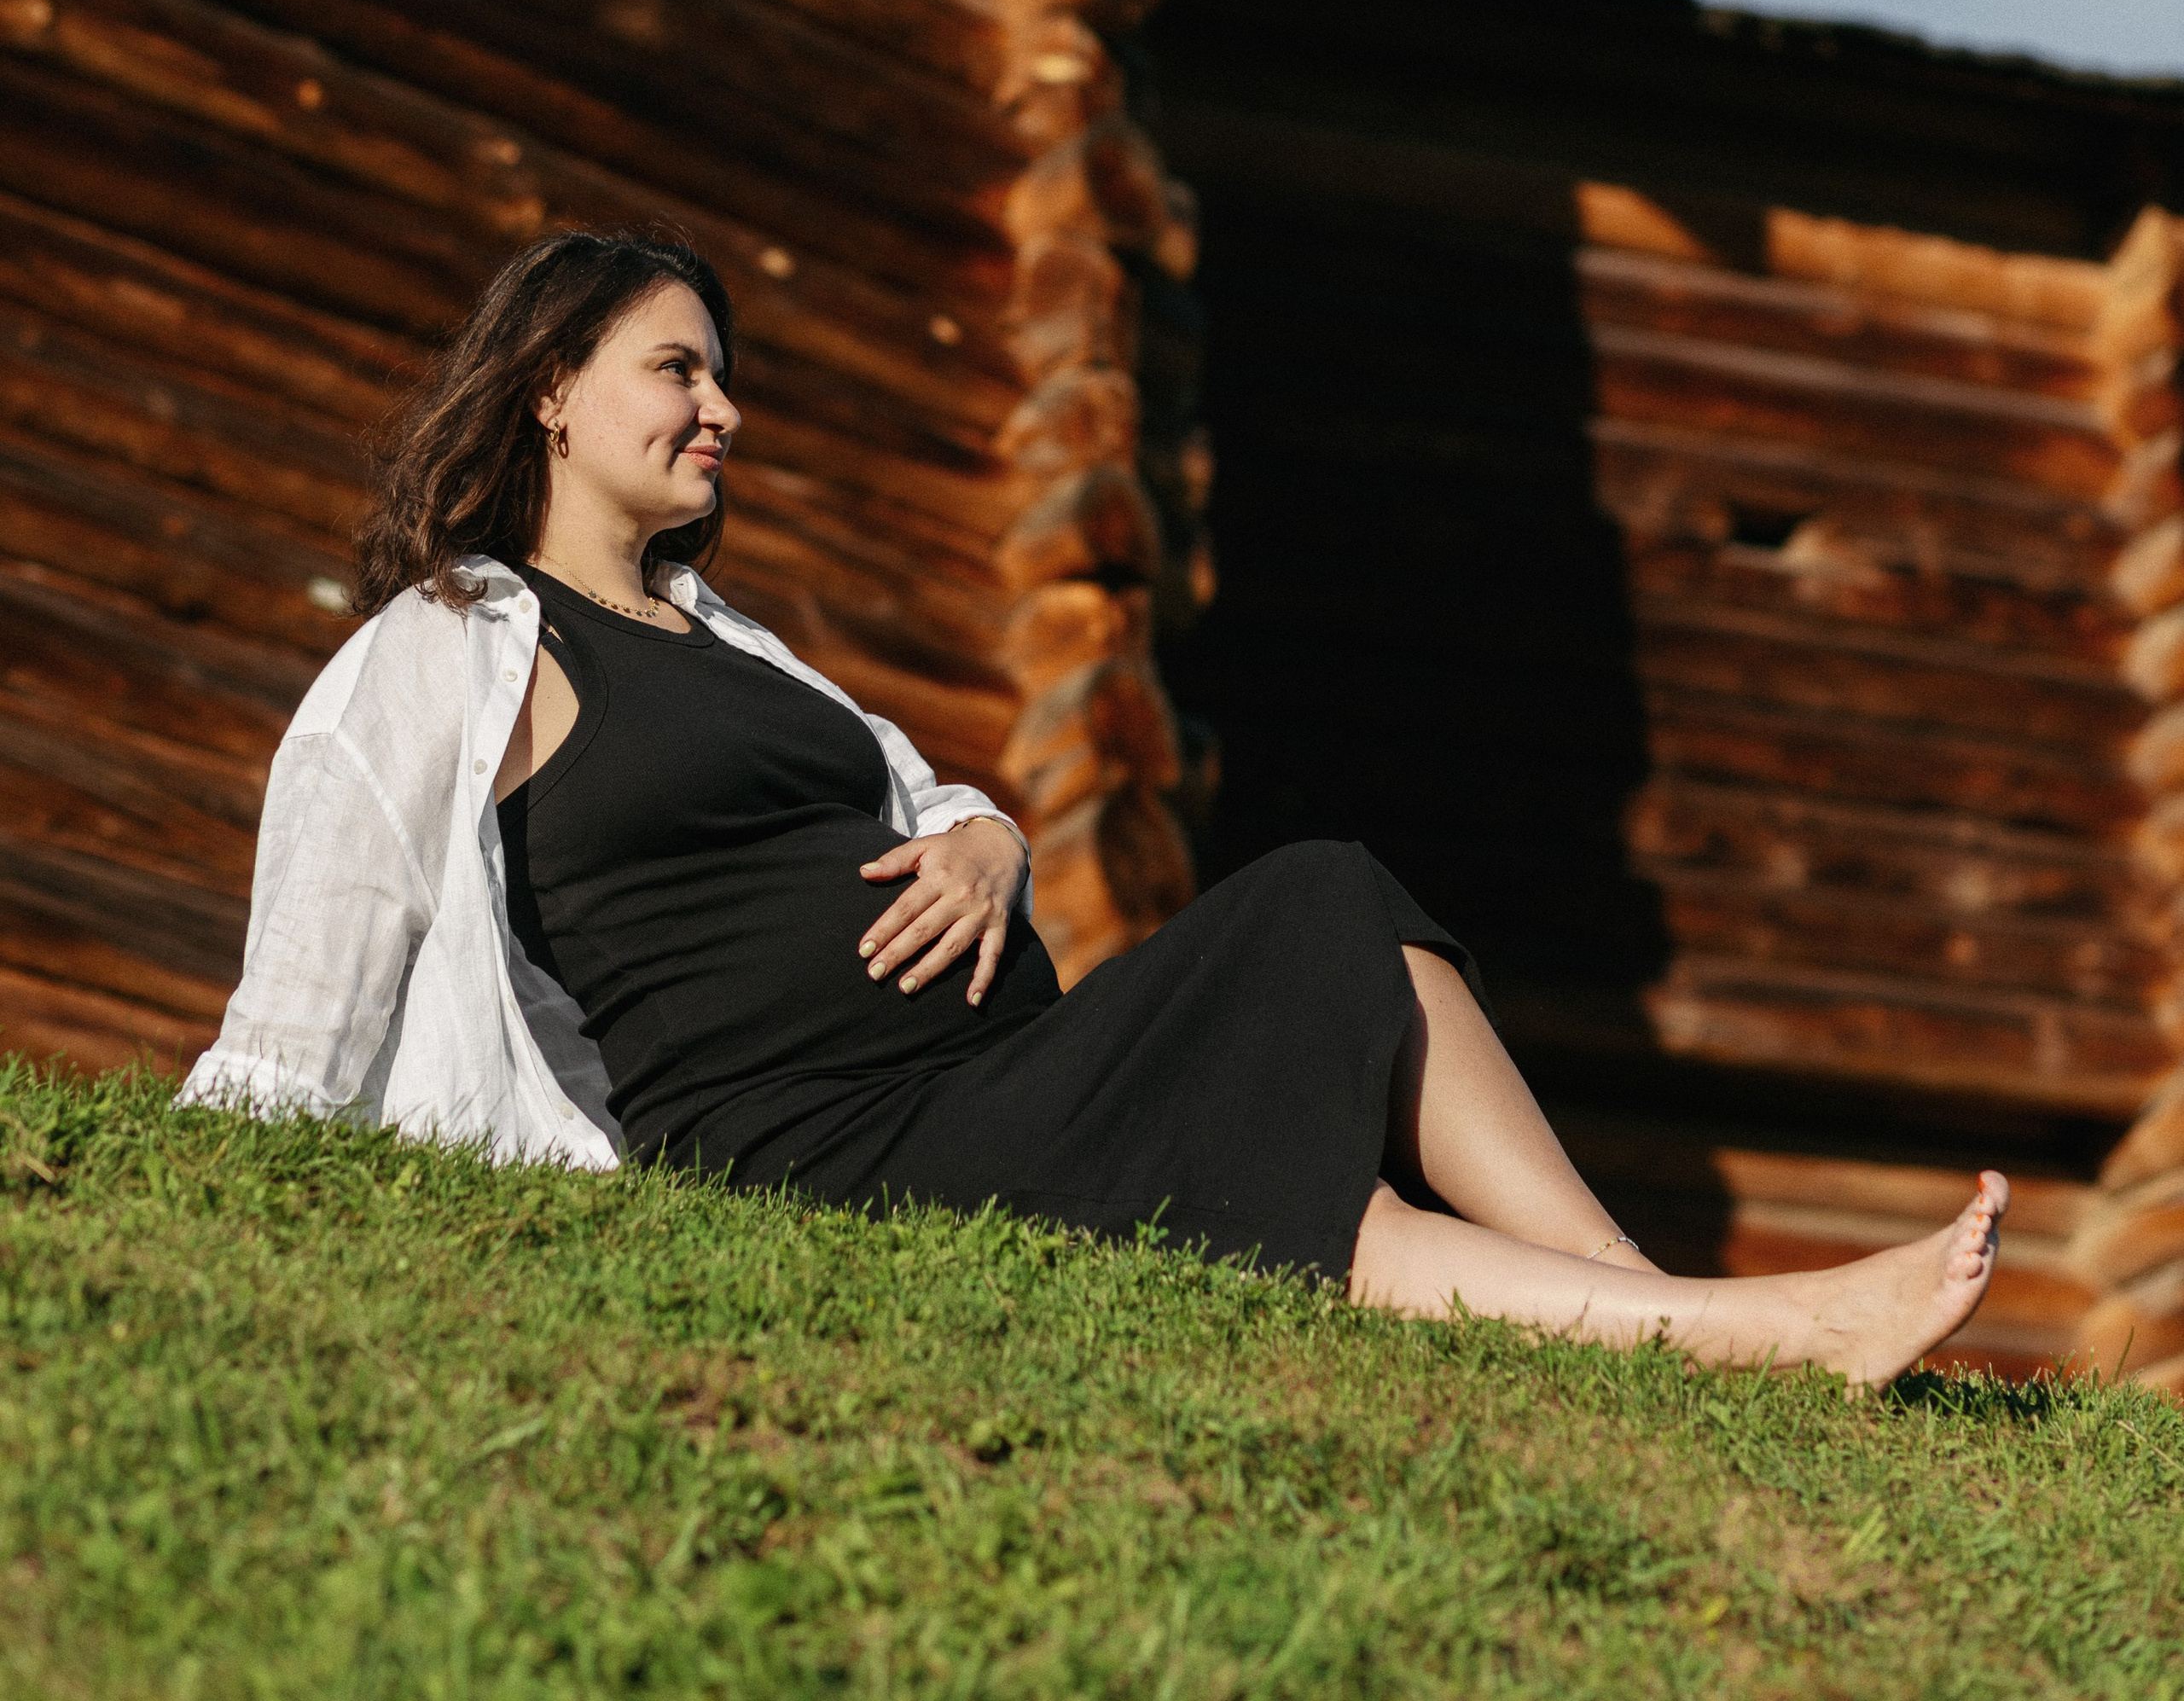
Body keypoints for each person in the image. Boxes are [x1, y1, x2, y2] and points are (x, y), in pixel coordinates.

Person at [181, 229, 2008, 1388]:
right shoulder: (454, 644)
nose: (722, 407)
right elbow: (325, 940)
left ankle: (1640, 1299)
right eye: (679, 368)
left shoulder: (725, 641)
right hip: (816, 1151)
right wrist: (222, 1167)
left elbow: (918, 789)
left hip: (979, 1078)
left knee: (1328, 895)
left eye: (725, 374)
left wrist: (992, 839)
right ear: (551, 394)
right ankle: (1748, 1336)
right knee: (1254, 1095)